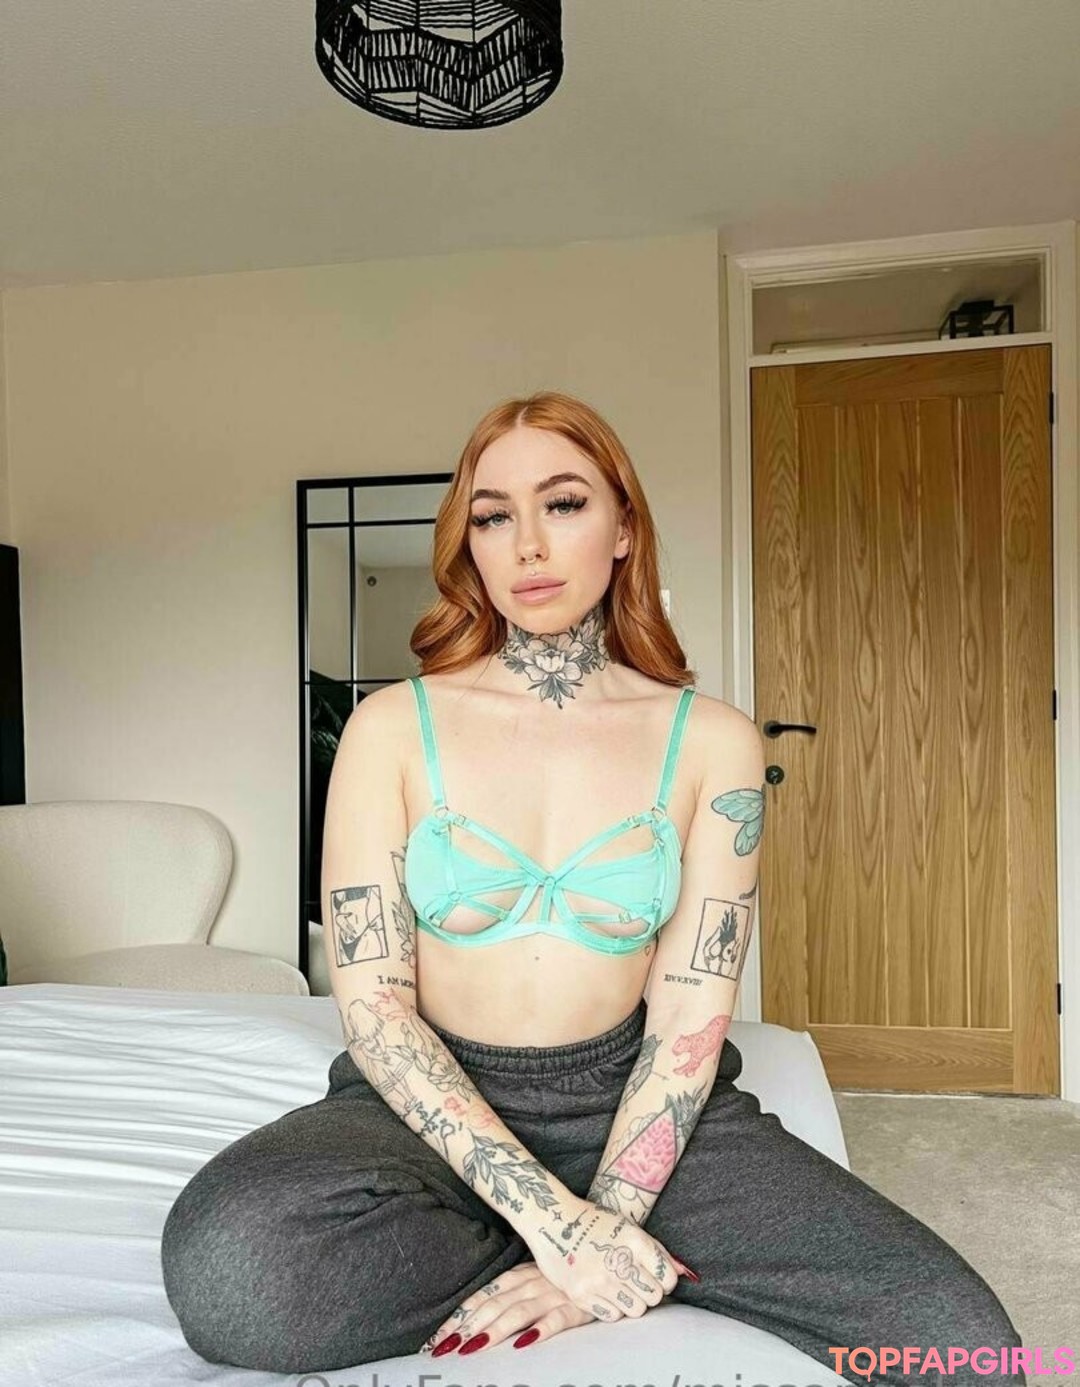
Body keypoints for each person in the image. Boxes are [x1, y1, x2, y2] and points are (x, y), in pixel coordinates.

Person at [160, 391, 1024, 1381]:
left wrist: (594, 1245)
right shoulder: (390, 727)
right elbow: (377, 1010)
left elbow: (691, 1013)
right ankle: (606, 1250)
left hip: (635, 1103)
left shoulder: (713, 742)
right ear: (469, 542)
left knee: (972, 1349)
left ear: (622, 527)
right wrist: (563, 1231)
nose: (527, 543)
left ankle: (607, 1249)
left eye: (563, 503)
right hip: (423, 1105)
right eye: (493, 515)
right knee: (231, 1271)